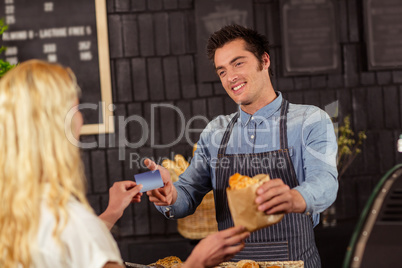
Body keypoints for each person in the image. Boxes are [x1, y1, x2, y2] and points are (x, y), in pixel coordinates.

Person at [0, 59, 249, 268]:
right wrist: (196, 262)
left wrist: (111, 213)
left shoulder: (16, 212)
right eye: (75, 109)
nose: (81, 118)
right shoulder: (75, 224)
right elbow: (76, 236)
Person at [146, 24, 338, 267]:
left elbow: (326, 181)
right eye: (222, 71)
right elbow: (187, 193)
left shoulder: (310, 120)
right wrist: (169, 193)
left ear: (264, 60)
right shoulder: (215, 132)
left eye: (238, 63)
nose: (231, 77)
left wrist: (294, 197)